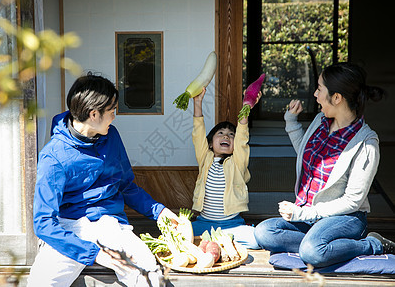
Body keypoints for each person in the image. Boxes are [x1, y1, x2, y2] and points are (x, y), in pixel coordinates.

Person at [27, 74, 179, 287]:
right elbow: (43, 223)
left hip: (110, 223)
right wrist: (95, 254)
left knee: (148, 275)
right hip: (68, 228)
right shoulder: (53, 157)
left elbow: (124, 185)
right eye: (112, 111)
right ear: (94, 114)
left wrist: (159, 211)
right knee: (40, 283)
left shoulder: (111, 136)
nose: (114, 117)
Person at [254, 62, 395, 268]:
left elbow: (352, 202)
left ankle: (371, 244)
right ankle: (328, 245)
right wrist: (291, 122)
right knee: (264, 232)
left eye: (320, 89)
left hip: (345, 218)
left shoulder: (366, 143)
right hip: (310, 215)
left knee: (312, 252)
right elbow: (307, 155)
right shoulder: (321, 120)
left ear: (337, 98)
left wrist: (303, 214)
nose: (315, 95)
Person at [189, 86, 261, 249]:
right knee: (179, 235)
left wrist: (246, 107)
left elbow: (242, 137)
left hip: (232, 224)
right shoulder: (205, 158)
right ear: (210, 143)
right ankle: (219, 240)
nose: (226, 136)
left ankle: (217, 240)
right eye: (220, 133)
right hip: (204, 222)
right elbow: (198, 133)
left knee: (255, 242)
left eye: (231, 135)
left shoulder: (237, 162)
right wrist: (198, 102)